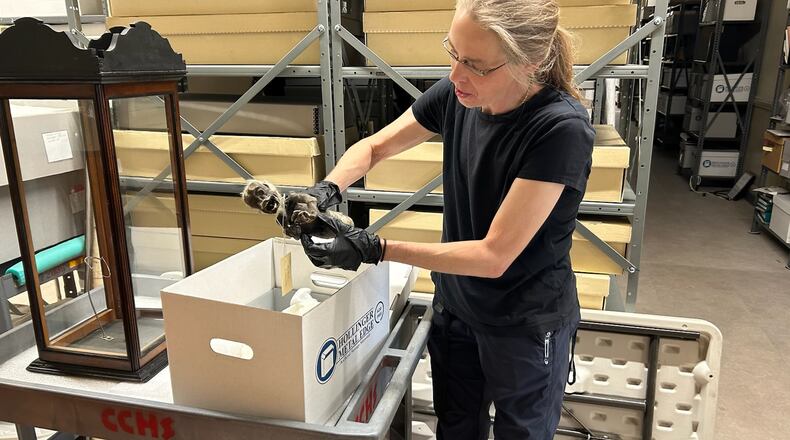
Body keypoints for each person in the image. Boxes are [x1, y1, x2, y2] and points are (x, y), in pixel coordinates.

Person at [296, 0, 594, 438]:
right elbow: (376, 147)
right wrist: (326, 191)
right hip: (456, 307)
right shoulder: (460, 95)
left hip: (524, 323)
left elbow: (494, 255)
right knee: (456, 428)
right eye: (453, 53)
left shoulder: (559, 129)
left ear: (527, 64)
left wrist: (373, 247)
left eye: (475, 64)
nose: (455, 75)